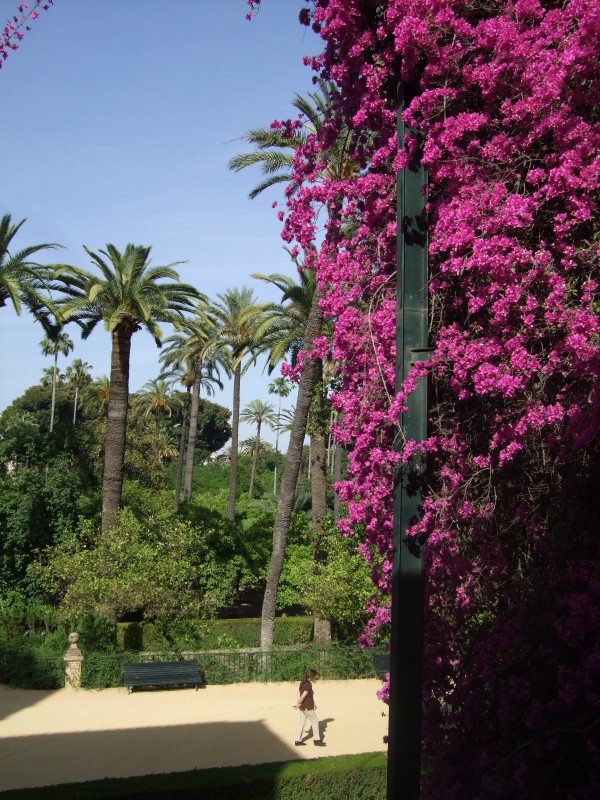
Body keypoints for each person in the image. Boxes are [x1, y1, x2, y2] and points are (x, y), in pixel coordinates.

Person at [293, 668, 325, 746]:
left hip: (303, 706)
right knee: (315, 721)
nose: (314, 678)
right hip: (307, 706)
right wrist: (299, 703)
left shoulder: (302, 682)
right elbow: (303, 695)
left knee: (302, 722)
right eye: (314, 676)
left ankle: (297, 740)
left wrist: (299, 703)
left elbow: (298, 693)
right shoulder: (308, 684)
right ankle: (317, 740)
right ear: (311, 676)